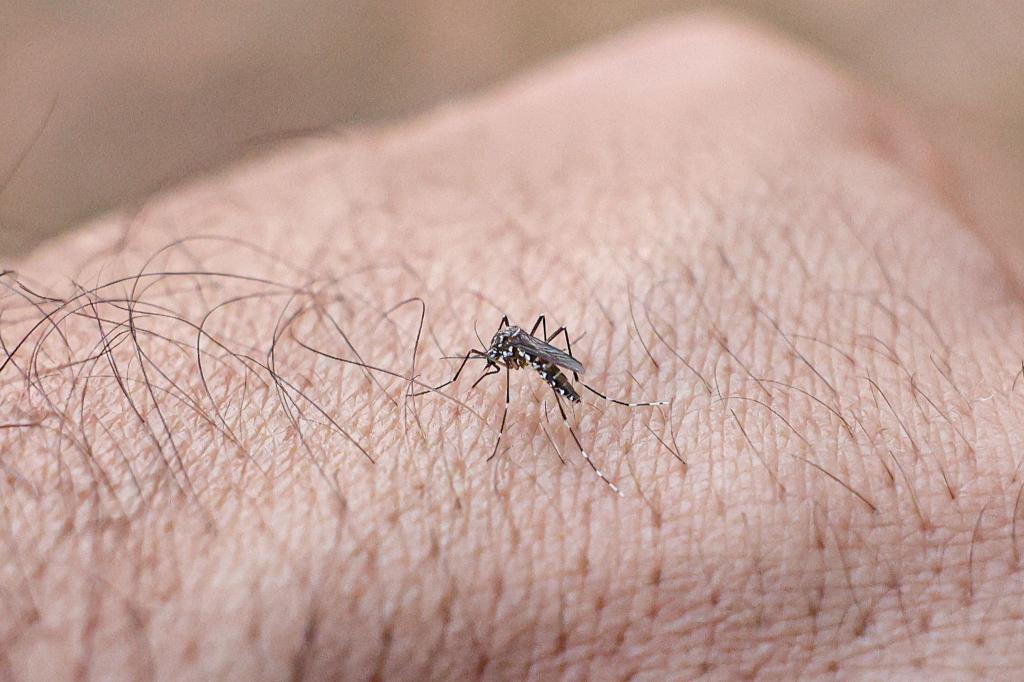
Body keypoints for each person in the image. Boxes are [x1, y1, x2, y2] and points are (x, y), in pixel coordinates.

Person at [2, 15, 1021, 679]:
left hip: (560, 372)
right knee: (536, 373)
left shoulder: (522, 359)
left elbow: (522, 358)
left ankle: (595, 416)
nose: (496, 360)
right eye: (501, 354)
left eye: (498, 354)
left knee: (547, 381)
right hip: (547, 358)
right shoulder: (505, 349)